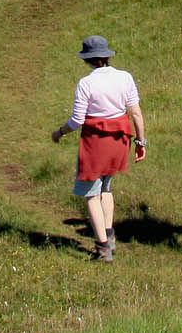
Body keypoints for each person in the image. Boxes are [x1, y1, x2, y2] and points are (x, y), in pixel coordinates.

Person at [51, 35, 145, 261]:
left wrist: (60, 132)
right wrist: (141, 142)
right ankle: (109, 235)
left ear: (87, 59)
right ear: (106, 56)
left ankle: (103, 247)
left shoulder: (86, 83)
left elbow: (77, 121)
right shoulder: (124, 77)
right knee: (106, 188)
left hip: (95, 144)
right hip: (119, 141)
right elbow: (136, 113)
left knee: (91, 195)